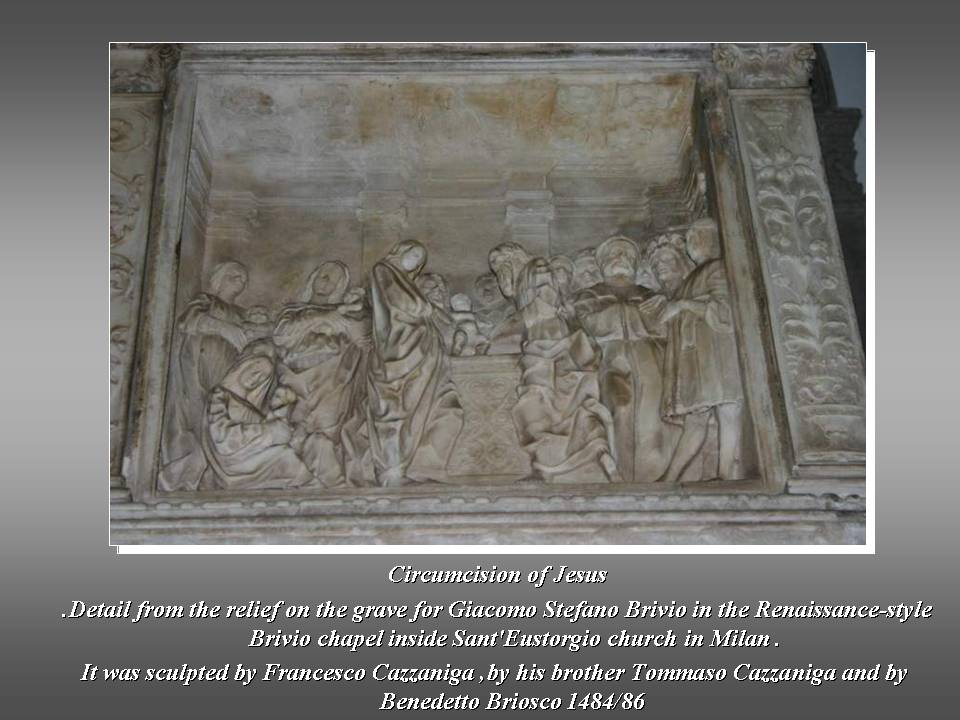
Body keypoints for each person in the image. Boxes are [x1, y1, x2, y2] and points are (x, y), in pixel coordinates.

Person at [574, 236, 674, 483]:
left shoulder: (649, 294)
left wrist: (653, 311)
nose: (620, 258)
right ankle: (623, 475)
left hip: (650, 356)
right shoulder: (590, 294)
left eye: (627, 255)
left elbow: (665, 326)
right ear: (603, 263)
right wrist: (631, 313)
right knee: (620, 405)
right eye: (614, 254)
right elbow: (589, 323)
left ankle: (653, 476)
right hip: (611, 356)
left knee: (652, 412)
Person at [512, 256, 620, 484]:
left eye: (547, 271)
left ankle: (600, 458)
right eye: (538, 272)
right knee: (540, 412)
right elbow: (502, 340)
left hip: (566, 375)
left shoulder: (567, 316)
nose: (544, 275)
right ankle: (549, 467)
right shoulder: (527, 316)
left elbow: (590, 347)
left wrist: (564, 341)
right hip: (544, 377)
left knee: (579, 412)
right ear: (528, 284)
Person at [366, 240, 464, 486]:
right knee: (399, 409)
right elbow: (407, 304)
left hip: (427, 357)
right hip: (401, 351)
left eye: (419, 259)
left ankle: (424, 468)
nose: (415, 260)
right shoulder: (384, 270)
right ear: (399, 252)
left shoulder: (409, 287)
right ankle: (393, 470)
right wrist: (428, 308)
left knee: (445, 409)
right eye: (413, 253)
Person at [658, 219, 745, 483]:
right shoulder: (694, 277)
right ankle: (670, 478)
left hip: (718, 352)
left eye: (698, 236)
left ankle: (725, 474)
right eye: (691, 237)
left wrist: (683, 305)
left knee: (727, 409)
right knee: (696, 418)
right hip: (696, 356)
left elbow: (726, 310)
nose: (692, 242)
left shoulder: (717, 268)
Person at [272, 260, 371, 488]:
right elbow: (281, 334)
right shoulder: (294, 311)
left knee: (326, 431)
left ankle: (325, 478)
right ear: (314, 277)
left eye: (334, 280)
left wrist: (356, 315)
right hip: (296, 377)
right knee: (295, 426)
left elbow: (363, 341)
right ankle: (296, 475)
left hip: (333, 380)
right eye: (324, 275)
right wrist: (325, 318)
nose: (327, 282)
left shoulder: (346, 313)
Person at [159, 261, 252, 491]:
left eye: (244, 279)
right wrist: (224, 328)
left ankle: (215, 473)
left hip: (230, 372)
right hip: (199, 369)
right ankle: (191, 472)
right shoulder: (206, 301)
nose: (241, 281)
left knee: (222, 419)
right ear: (219, 279)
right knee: (200, 418)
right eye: (235, 275)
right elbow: (188, 321)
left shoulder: (243, 313)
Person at [202, 343, 315, 490]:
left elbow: (271, 427)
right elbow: (222, 438)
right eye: (255, 371)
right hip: (232, 467)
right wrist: (271, 432)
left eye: (263, 377)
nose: (255, 378)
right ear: (244, 365)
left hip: (251, 461)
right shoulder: (219, 396)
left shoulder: (250, 408)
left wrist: (284, 422)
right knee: (288, 461)